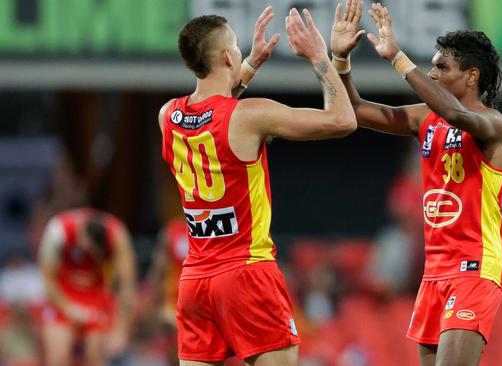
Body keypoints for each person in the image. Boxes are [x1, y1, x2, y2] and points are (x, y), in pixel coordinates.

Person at [157, 5, 356, 366]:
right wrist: (319, 57)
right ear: (225, 57)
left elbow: (211, 114)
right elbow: (342, 120)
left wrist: (249, 66)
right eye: (235, 45)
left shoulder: (168, 115)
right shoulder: (249, 116)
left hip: (195, 281)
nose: (239, 50)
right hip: (247, 272)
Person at [330, 1, 502, 364]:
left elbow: (455, 113)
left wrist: (396, 57)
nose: (431, 74)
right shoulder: (424, 119)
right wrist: (340, 61)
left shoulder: (494, 125)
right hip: (434, 271)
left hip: (475, 268)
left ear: (472, 76)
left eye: (441, 66)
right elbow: (354, 110)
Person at [38, 207, 136, 366]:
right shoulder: (57, 230)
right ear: (82, 234)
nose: (91, 255)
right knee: (57, 358)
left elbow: (127, 284)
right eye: (89, 249)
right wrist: (68, 308)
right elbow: (47, 279)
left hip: (97, 295)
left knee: (96, 358)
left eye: (97, 253)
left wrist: (121, 329)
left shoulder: (117, 234)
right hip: (63, 292)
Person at [148, 216, 189, 366]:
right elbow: (158, 270)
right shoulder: (171, 231)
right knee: (176, 353)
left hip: (202, 302)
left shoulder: (215, 229)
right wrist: (157, 306)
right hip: (174, 304)